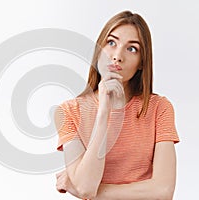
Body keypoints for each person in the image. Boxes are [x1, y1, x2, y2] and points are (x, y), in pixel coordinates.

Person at [54, 10, 180, 200]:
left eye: (132, 49)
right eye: (111, 43)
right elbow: (86, 186)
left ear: (141, 63)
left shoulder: (159, 108)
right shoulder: (68, 112)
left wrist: (96, 191)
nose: (117, 56)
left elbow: (163, 191)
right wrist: (104, 111)